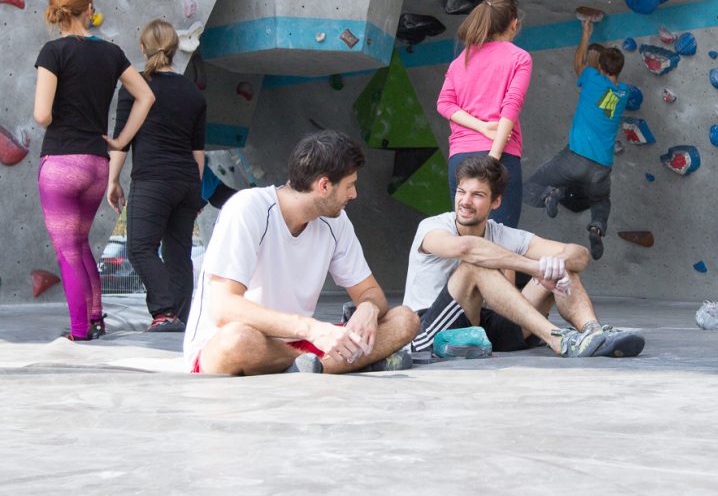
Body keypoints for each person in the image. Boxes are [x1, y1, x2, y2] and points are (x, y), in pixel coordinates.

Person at [182, 131, 419, 375]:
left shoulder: (336, 223)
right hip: (233, 343)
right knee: (237, 340)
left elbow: (370, 293)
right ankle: (339, 363)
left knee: (404, 320)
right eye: (350, 186)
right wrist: (312, 329)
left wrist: (368, 309)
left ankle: (307, 367)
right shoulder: (248, 208)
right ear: (324, 186)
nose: (354, 194)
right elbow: (223, 309)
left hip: (298, 343)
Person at [405, 155, 645, 358]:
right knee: (475, 265)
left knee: (562, 267)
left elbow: (580, 254)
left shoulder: (501, 233)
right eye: (461, 192)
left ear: (495, 202)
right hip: (430, 331)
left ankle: (593, 333)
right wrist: (535, 267)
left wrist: (556, 264)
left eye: (477, 195)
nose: (465, 201)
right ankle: (559, 339)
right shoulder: (432, 227)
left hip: (479, 328)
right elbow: (467, 249)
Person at [33, 0, 155, 341]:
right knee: (81, 241)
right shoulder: (111, 52)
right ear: (90, 9)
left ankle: (79, 332)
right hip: (96, 163)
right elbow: (145, 96)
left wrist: (56, 119)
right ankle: (96, 316)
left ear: (56, 11)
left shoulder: (53, 52)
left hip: (60, 163)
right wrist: (119, 140)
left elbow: (41, 115)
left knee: (67, 249)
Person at [107, 20, 207, 333]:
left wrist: (112, 181)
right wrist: (195, 191)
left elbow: (121, 142)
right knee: (179, 251)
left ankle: (164, 312)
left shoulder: (136, 87)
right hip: (187, 181)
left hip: (153, 180)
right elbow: (198, 150)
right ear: (175, 49)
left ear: (142, 48)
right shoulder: (193, 93)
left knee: (139, 247)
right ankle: (180, 319)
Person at [523, 19, 626, 260]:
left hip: (574, 158)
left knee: (529, 188)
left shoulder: (590, 77)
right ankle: (597, 227)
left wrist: (586, 32)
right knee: (601, 201)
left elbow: (578, 62)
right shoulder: (624, 93)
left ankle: (551, 193)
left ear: (599, 66)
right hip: (601, 167)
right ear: (619, 70)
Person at [437, 0, 531, 227]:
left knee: (469, 237)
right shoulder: (519, 58)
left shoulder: (461, 60)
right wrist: (493, 158)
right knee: (501, 240)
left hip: (460, 159)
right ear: (514, 24)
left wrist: (480, 126)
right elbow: (511, 106)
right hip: (499, 156)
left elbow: (444, 104)